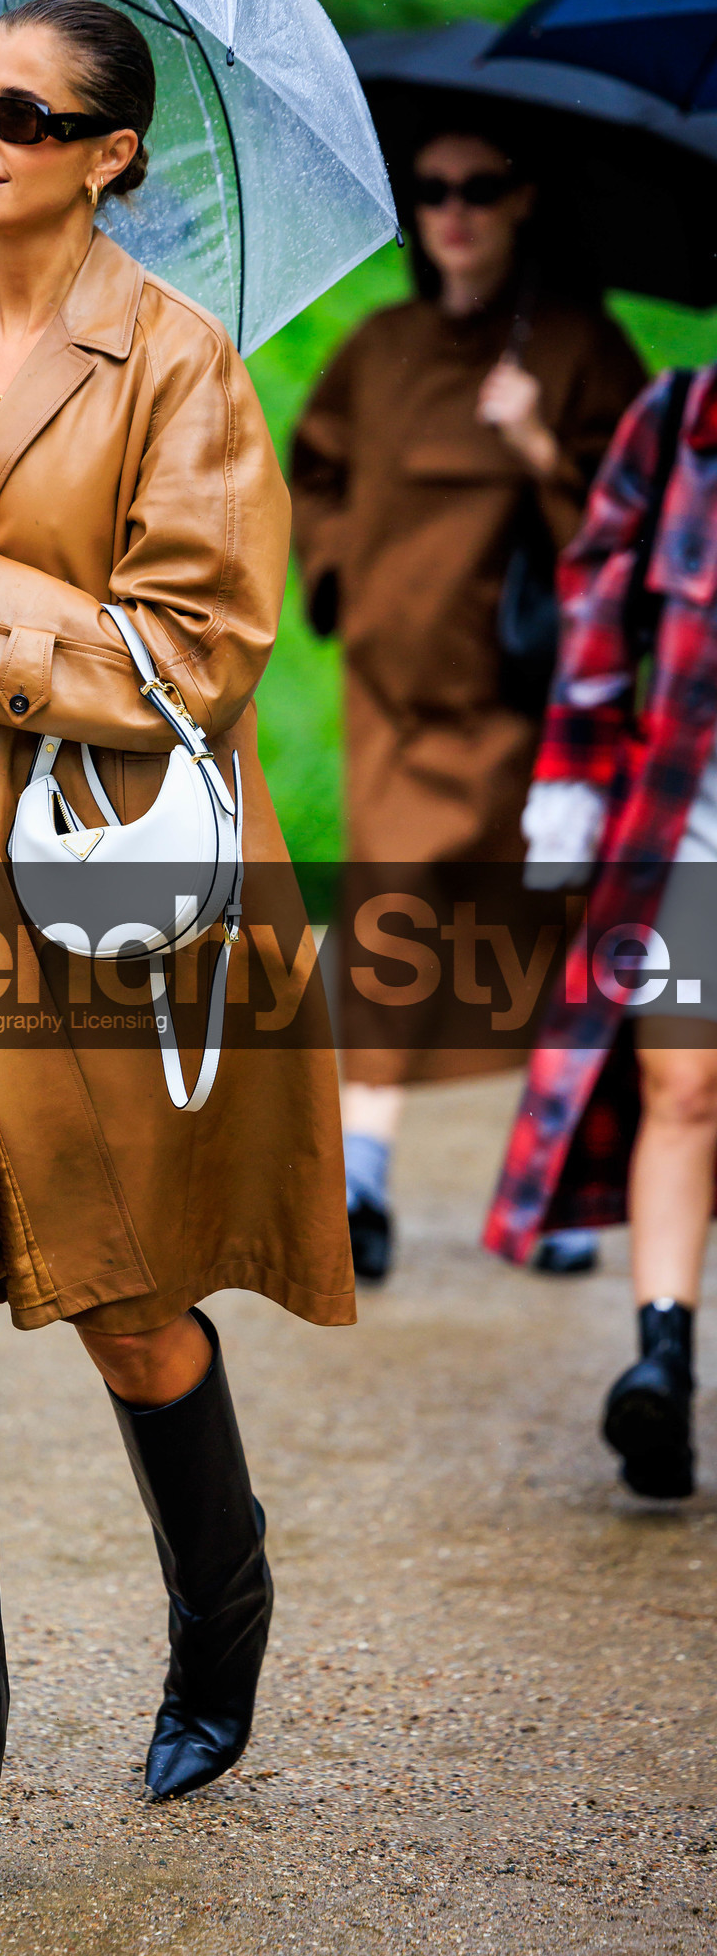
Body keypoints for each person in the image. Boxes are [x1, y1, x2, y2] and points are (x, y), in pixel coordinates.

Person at [0, 0, 352, 1909]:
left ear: (109, 153)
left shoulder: (182, 363)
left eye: (22, 115)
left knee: (125, 1295)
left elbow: (187, 662)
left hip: (89, 882)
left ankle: (224, 1589)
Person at [290, 118, 646, 1284]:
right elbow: (315, 470)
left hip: (530, 704)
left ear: (522, 201)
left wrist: (541, 445)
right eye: (431, 189)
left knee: (539, 928)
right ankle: (363, 1176)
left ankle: (548, 1184)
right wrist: (344, 570)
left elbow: (642, 518)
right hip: (398, 693)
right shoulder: (380, 347)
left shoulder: (583, 349)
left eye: (477, 189)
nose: (451, 211)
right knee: (392, 922)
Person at [487, 365, 717, 1501]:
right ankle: (662, 1365)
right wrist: (570, 798)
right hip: (691, 826)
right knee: (683, 1087)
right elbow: (592, 604)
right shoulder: (674, 425)